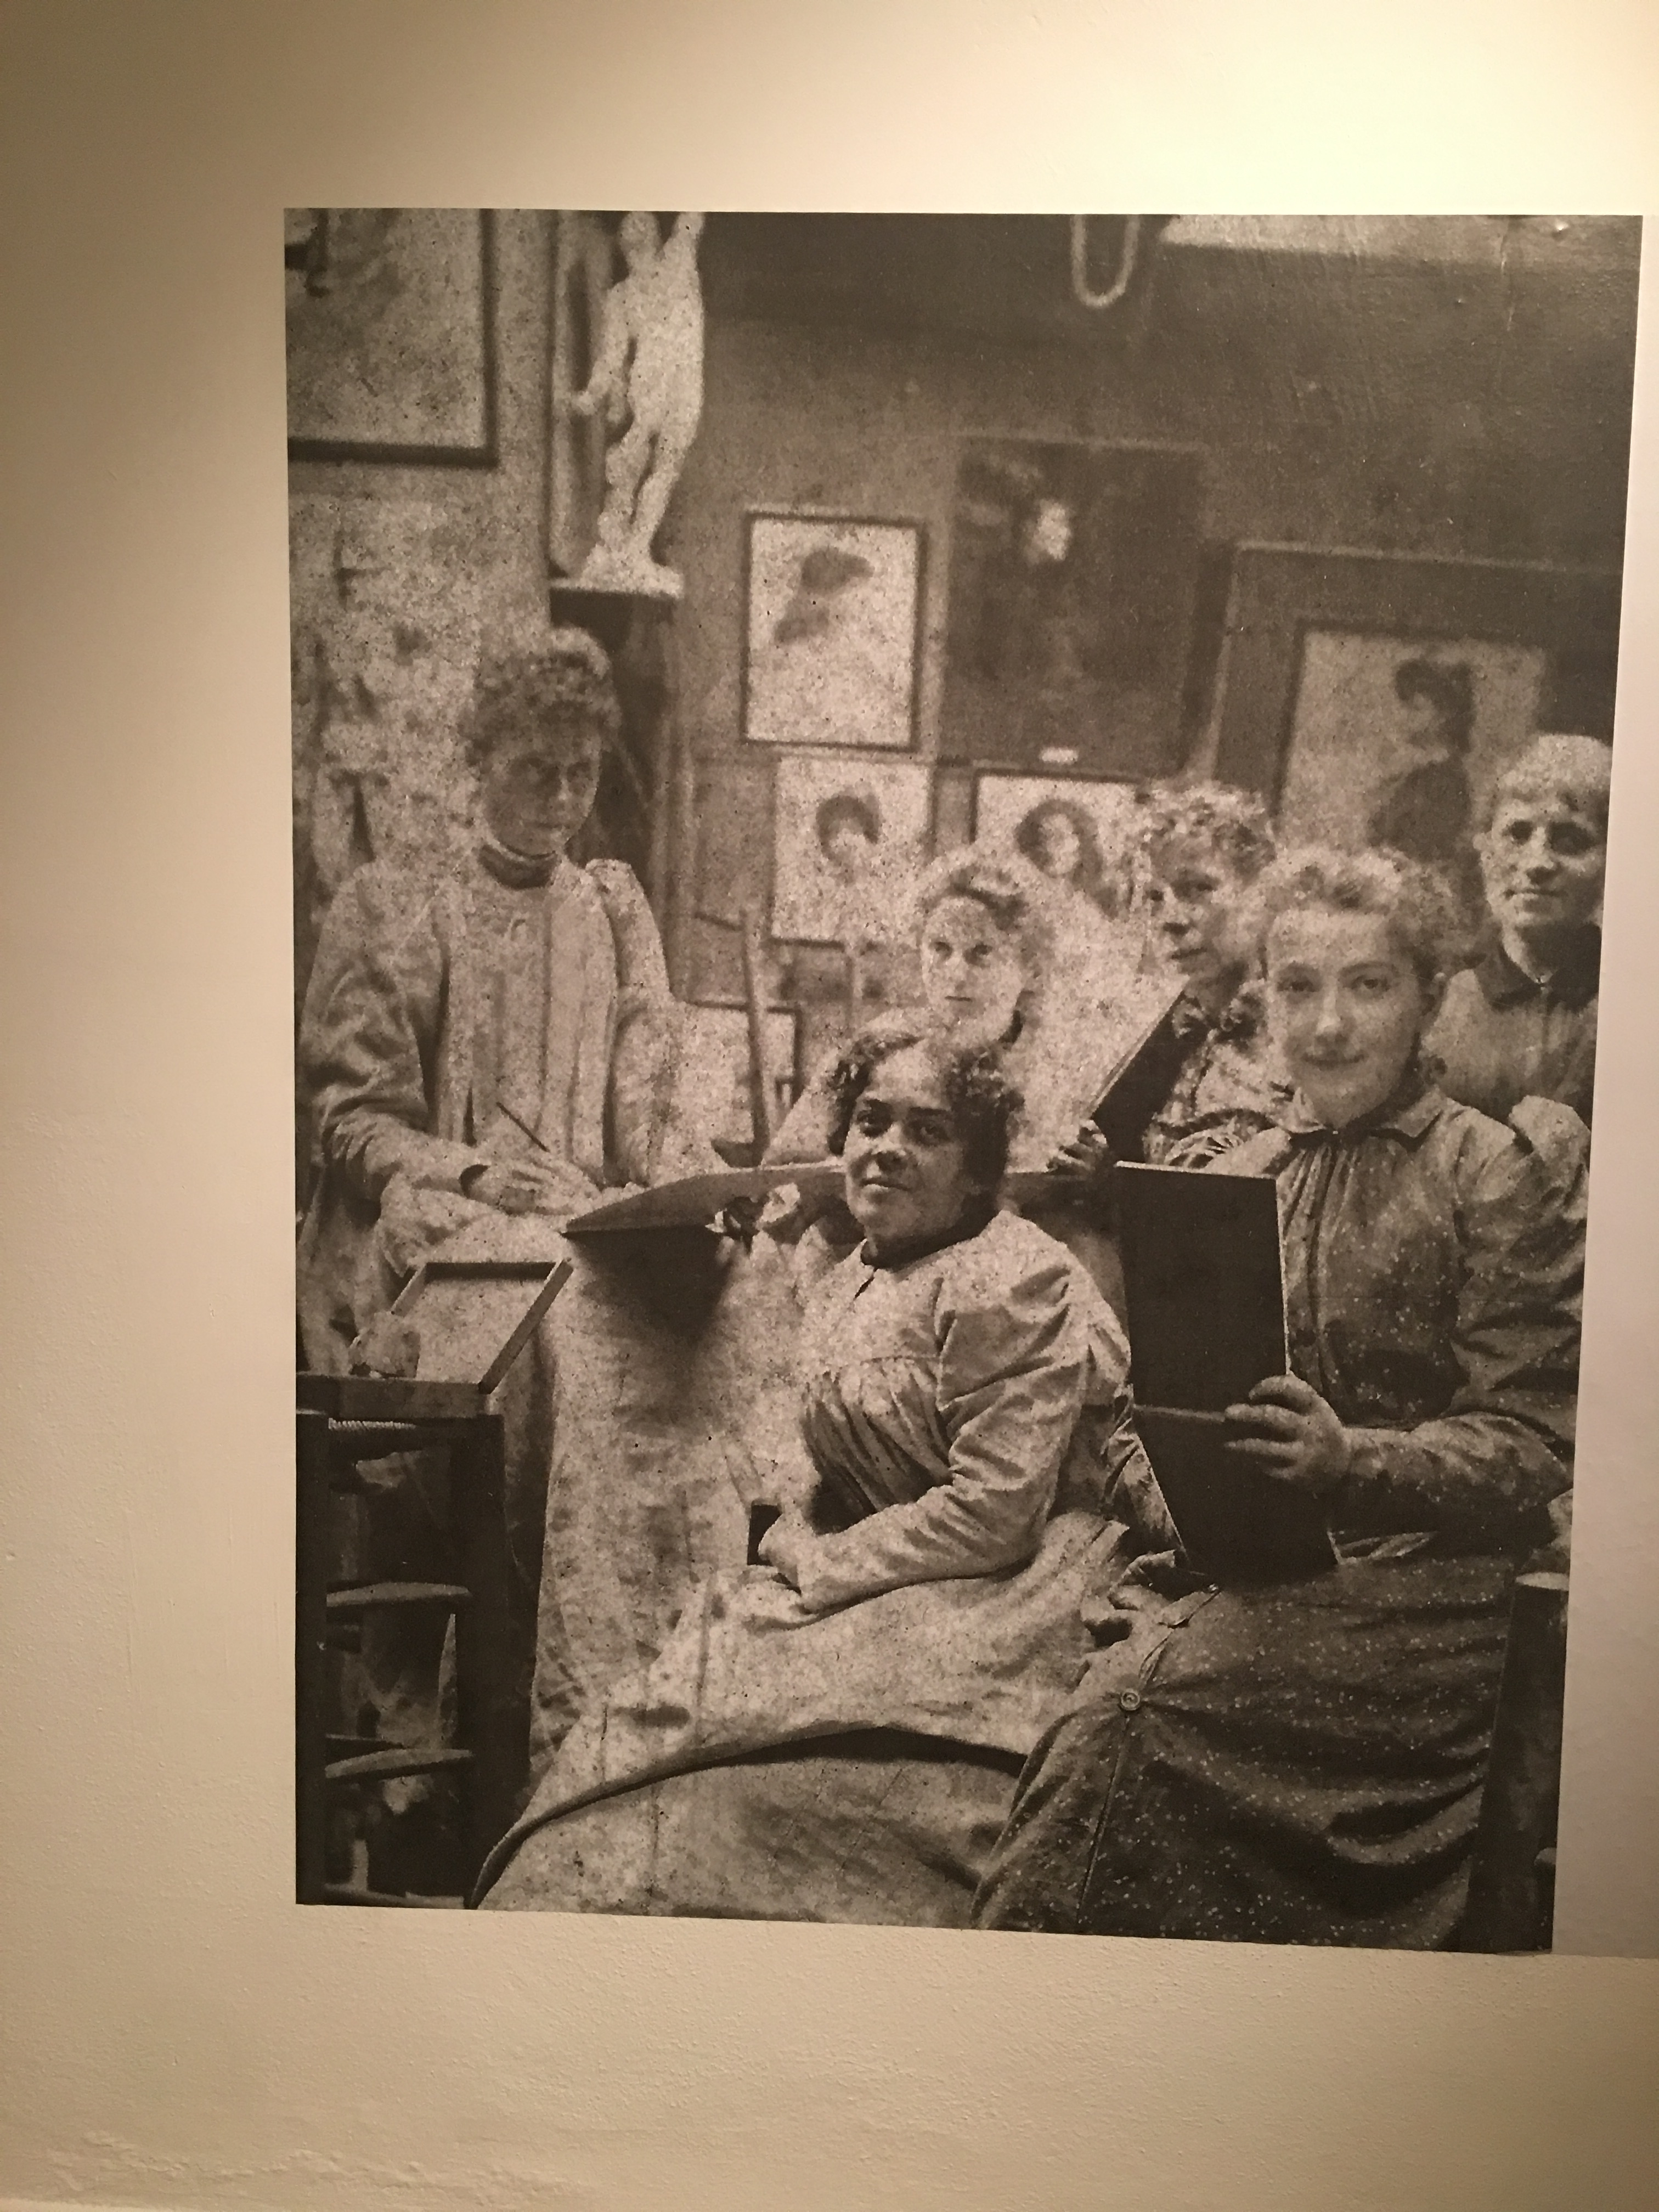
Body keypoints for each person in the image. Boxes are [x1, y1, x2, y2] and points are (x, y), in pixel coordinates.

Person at [973, 845, 1585, 1949]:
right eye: (1298, 987)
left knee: (1130, 1717)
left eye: (1369, 985)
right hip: (1247, 1569)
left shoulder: (1491, 1174)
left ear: (1427, 995)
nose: (1330, 1025)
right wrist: (1181, 1488)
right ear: (1264, 1001)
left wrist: (1351, 1461)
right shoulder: (1233, 1175)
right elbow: (1157, 1418)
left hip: (1426, 1595)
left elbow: (1531, 1443)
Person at [475, 1027, 1168, 1923]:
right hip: (897, 1573)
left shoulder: (1013, 1275)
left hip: (1016, 1583)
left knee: (798, 1757)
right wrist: (793, 1541)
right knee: (672, 1716)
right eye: (871, 1122)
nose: (887, 1147)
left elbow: (995, 1513)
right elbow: (819, 1466)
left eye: (928, 1131)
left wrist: (818, 1565)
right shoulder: (847, 1280)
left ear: (976, 1172)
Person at [296, 620, 678, 1877]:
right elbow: (351, 1125)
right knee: (550, 1325)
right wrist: (471, 1169)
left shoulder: (607, 911)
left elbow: (640, 1122)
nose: (561, 799)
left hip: (560, 1239)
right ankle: (461, 1748)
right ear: (476, 761)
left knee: (668, 1307)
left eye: (581, 773)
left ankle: (607, 1718)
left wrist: (668, 1185)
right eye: (532, 771)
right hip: (414, 1248)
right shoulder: (396, 904)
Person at [1046, 780, 1288, 1193]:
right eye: (1155, 898)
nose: (1171, 920)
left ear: (1262, 893)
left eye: (1198, 889)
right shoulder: (1159, 1028)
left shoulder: (1293, 1033)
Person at [1427, 732, 1610, 1128]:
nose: (1537, 863)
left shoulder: (1630, 1003)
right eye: (1518, 833)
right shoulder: (1438, 1006)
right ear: (1484, 849)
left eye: (1570, 840)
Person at [565, 211, 705, 594]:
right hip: (667, 379)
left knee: (655, 463)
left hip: (671, 379)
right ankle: (628, 548)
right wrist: (592, 396)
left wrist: (591, 396)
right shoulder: (663, 270)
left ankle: (634, 550)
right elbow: (611, 359)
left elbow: (611, 360)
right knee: (653, 464)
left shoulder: (666, 268)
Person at [1367, 659, 1480, 906]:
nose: (1403, 717)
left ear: (1443, 717)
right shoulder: (1416, 776)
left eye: (1415, 709)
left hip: (1418, 900)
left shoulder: (1448, 783)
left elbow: (1422, 858)